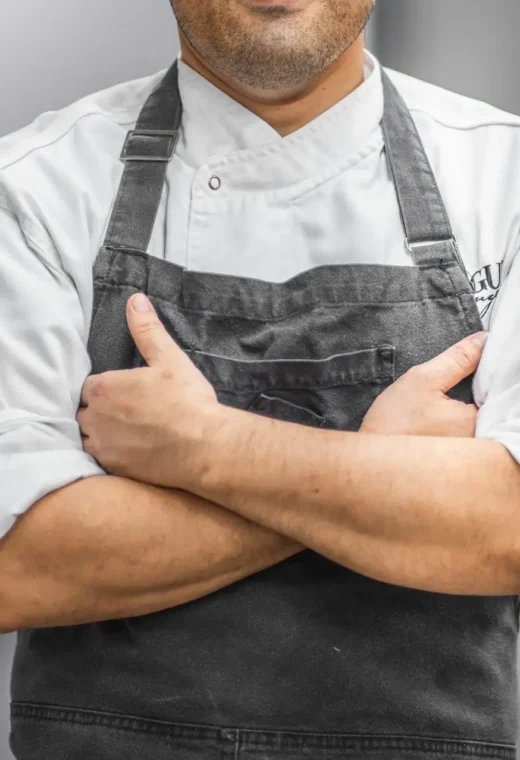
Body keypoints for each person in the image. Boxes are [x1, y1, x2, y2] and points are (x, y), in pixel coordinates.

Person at [1, 0, 520, 757]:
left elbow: (506, 531)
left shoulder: (504, 178)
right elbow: (19, 565)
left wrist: (208, 450)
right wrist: (380, 468)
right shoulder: (32, 190)